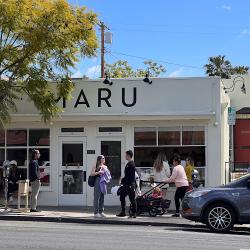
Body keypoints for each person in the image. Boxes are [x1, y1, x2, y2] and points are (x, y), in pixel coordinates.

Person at [116, 150, 137, 218]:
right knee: (122, 196)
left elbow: (130, 176)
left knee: (132, 199)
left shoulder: (131, 164)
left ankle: (134, 213)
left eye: (126, 155)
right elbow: (126, 176)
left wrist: (130, 184)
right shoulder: (128, 164)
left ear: (128, 155)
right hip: (125, 184)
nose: (125, 156)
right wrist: (122, 181)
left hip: (130, 184)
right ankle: (123, 212)